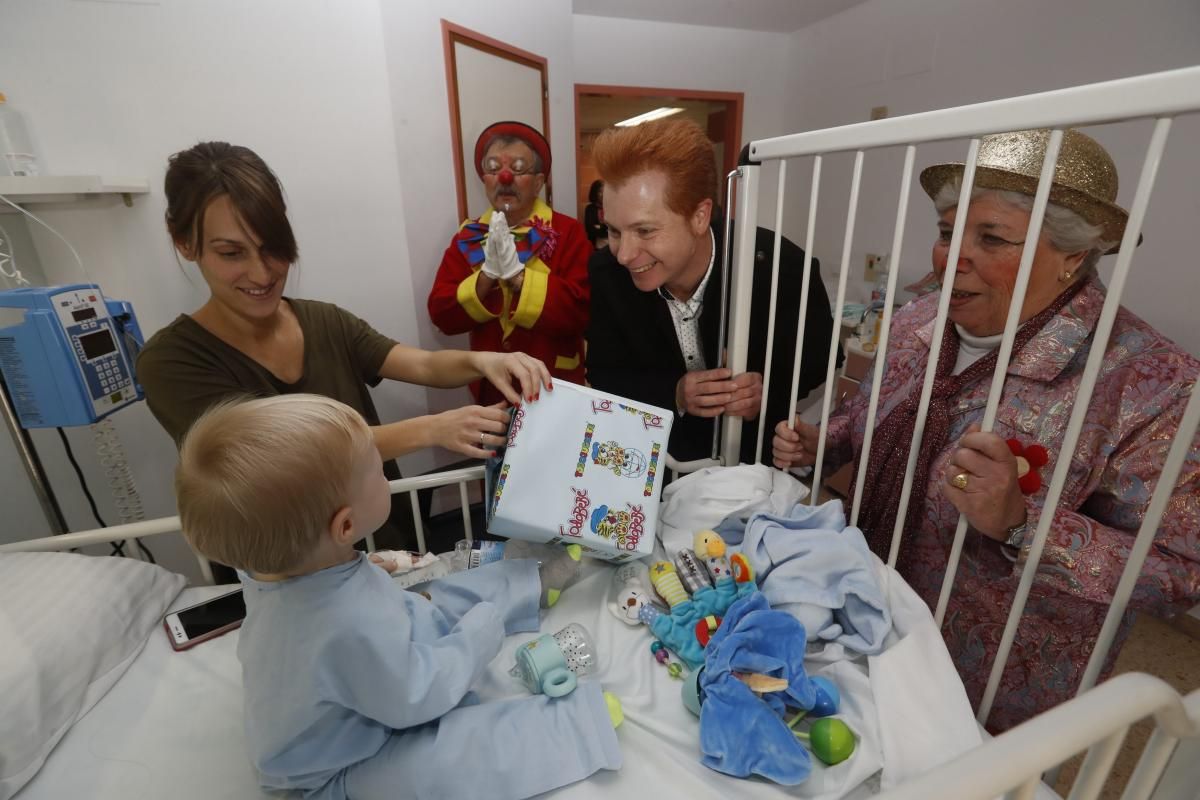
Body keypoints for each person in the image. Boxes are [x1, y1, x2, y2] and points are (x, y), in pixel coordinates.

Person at [772, 129, 1200, 732]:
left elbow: (1181, 572)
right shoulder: (918, 320)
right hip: (859, 619)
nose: (951, 258)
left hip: (987, 687)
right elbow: (870, 418)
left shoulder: (1153, 383)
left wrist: (1023, 525)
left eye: (991, 238)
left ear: (1073, 255)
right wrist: (829, 441)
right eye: (948, 232)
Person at [174, 394, 622, 800]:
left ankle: (530, 584)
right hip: (344, 766)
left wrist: (366, 569)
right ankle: (574, 728)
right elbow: (418, 695)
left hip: (374, 659)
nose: (386, 475)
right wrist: (479, 635)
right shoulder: (343, 625)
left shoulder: (271, 569)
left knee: (440, 593)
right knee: (450, 761)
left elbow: (326, 602)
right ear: (345, 526)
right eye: (378, 470)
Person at [137, 141, 548, 556]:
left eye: (272, 247)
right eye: (231, 253)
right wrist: (433, 428)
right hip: (288, 567)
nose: (261, 273)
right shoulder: (171, 362)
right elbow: (283, 459)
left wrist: (484, 360)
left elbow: (423, 365)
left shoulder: (323, 321)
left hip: (385, 545)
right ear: (184, 242)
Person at [587, 117, 837, 467]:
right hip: (653, 462)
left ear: (700, 216)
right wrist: (675, 393)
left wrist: (765, 393)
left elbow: (819, 360)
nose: (624, 254)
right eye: (614, 231)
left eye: (644, 231)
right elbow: (605, 373)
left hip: (750, 467)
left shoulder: (781, 267)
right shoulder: (607, 275)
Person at [428, 121, 590, 404]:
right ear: (485, 180)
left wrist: (519, 277)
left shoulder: (567, 232)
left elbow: (583, 311)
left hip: (555, 387)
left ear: (538, 182)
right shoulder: (468, 236)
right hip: (493, 392)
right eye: (494, 169)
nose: (504, 178)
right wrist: (485, 277)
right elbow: (442, 315)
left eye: (518, 168)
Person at [584, 179, 607, 249]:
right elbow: (590, 229)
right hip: (594, 247)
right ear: (594, 193)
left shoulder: (611, 207)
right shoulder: (590, 208)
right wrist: (604, 228)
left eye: (605, 191)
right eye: (600, 191)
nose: (603, 194)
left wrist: (599, 227)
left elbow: (614, 228)